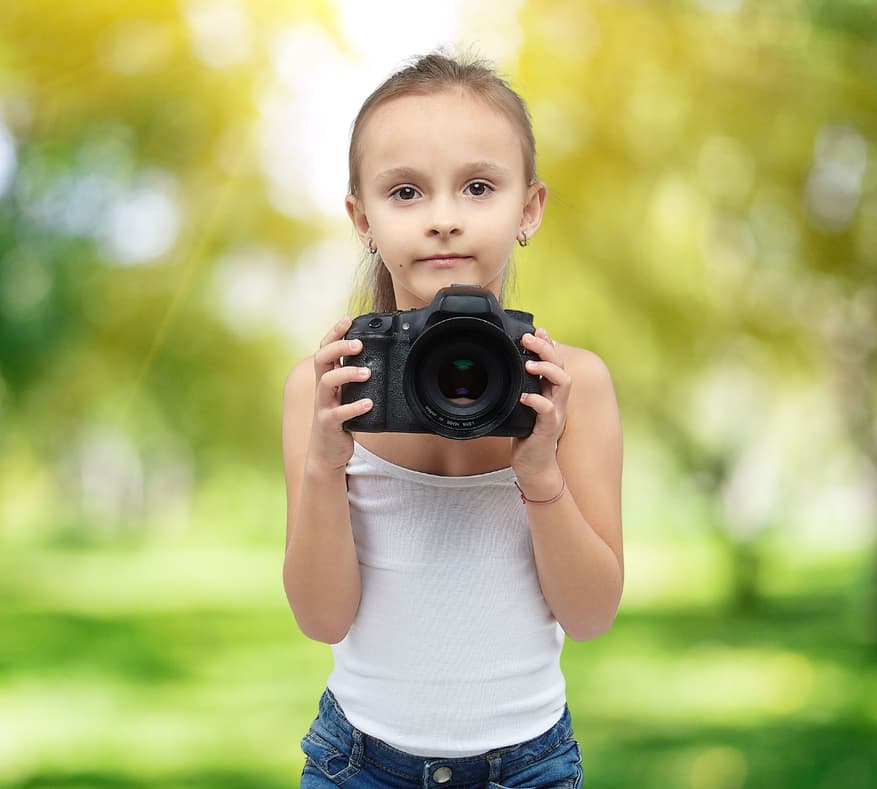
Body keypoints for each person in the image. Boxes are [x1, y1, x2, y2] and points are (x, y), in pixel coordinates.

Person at [281, 51, 623, 789]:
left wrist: (542, 475)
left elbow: (592, 615)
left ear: (529, 208)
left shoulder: (574, 387)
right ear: (363, 219)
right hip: (357, 765)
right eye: (406, 192)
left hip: (528, 768)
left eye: (478, 187)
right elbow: (321, 618)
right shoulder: (329, 387)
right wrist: (323, 465)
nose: (443, 219)